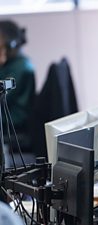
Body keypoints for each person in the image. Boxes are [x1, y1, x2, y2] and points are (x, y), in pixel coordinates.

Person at [0, 20, 35, 158]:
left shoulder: (21, 68)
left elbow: (3, 97)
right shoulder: (12, 65)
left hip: (12, 122)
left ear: (9, 45)